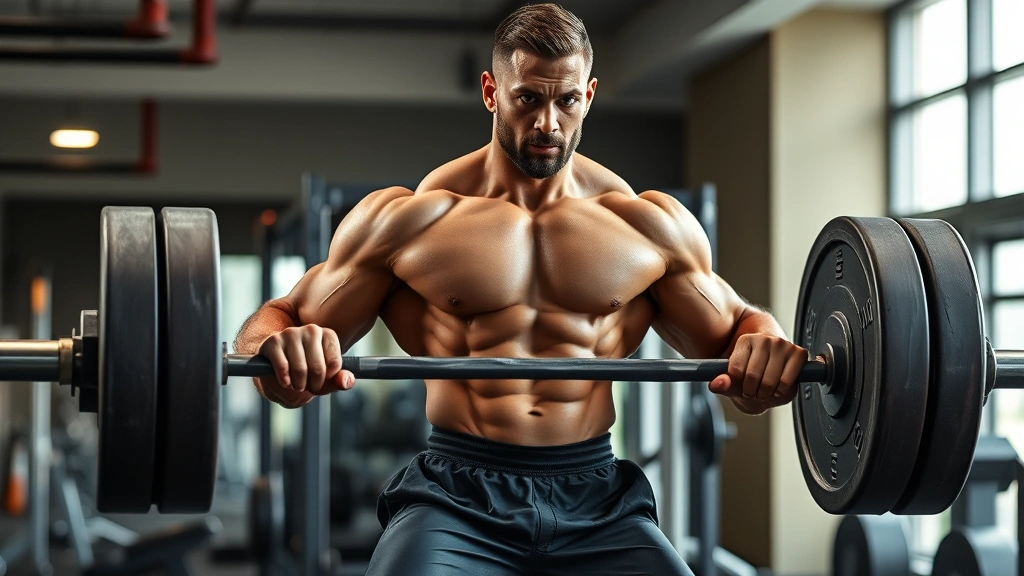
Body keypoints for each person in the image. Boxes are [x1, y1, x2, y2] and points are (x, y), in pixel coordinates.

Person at [235, 4, 807, 575]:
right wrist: (277, 356)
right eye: (528, 98)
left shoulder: (647, 227)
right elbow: (280, 318)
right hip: (456, 496)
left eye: (567, 101)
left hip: (598, 497)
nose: (548, 125)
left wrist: (765, 346)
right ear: (491, 91)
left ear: (590, 93)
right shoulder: (409, 222)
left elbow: (738, 330)